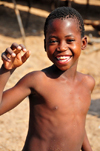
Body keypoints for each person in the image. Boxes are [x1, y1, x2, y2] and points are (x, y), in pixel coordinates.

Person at [0, 6, 95, 151]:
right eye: (53, 41)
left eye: (69, 40)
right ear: (45, 45)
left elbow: (77, 125)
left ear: (83, 43)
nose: (61, 47)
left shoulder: (88, 83)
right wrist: (6, 70)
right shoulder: (38, 80)